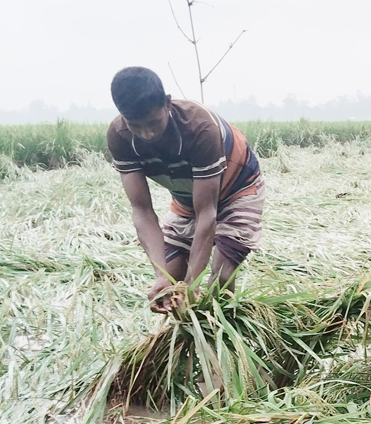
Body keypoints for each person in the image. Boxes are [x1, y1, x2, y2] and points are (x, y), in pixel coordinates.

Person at [106, 67, 265, 313]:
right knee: (170, 284)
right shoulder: (120, 136)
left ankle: (217, 337)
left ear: (167, 103)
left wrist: (192, 284)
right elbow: (142, 210)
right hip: (188, 198)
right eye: (135, 125)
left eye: (153, 122)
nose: (147, 134)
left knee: (220, 278)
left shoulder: (199, 128)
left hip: (237, 189)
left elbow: (207, 213)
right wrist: (162, 278)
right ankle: (180, 344)